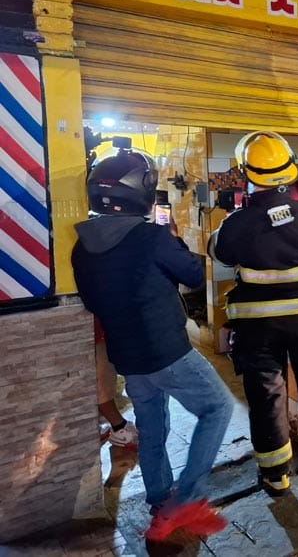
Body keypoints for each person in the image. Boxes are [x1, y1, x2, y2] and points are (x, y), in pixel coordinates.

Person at [72, 143, 233, 542]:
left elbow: (92, 302)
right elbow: (193, 276)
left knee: (153, 429)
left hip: (128, 359)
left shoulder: (81, 247)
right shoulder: (152, 237)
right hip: (168, 352)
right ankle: (188, 499)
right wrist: (174, 238)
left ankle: (161, 508)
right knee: (219, 407)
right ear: (140, 191)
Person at [211, 131, 298, 496]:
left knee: (267, 393)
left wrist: (234, 218)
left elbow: (219, 252)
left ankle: (276, 474)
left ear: (245, 173)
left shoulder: (237, 223)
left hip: (258, 325)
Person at [95, 317, 138, 450]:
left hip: (98, 329)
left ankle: (109, 426)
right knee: (103, 382)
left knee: (103, 380)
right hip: (95, 332)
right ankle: (119, 428)